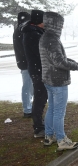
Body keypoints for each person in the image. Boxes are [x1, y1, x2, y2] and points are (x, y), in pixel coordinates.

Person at [39, 11, 78, 151]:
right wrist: (75, 66)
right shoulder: (52, 39)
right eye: (61, 24)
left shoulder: (45, 37)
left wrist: (73, 62)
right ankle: (61, 140)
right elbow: (59, 62)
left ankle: (49, 135)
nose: (62, 27)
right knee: (59, 111)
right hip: (57, 81)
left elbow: (57, 59)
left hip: (48, 79)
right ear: (55, 24)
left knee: (52, 109)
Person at [21, 10, 47, 138]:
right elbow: (41, 53)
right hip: (38, 70)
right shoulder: (32, 34)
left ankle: (41, 124)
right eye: (44, 20)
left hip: (38, 69)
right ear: (39, 21)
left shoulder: (34, 32)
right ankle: (38, 127)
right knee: (40, 97)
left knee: (41, 97)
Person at [12, 12, 33, 118]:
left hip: (23, 62)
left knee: (29, 86)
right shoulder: (23, 30)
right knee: (28, 86)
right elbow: (26, 47)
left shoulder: (17, 30)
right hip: (27, 63)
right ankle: (27, 109)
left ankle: (29, 107)